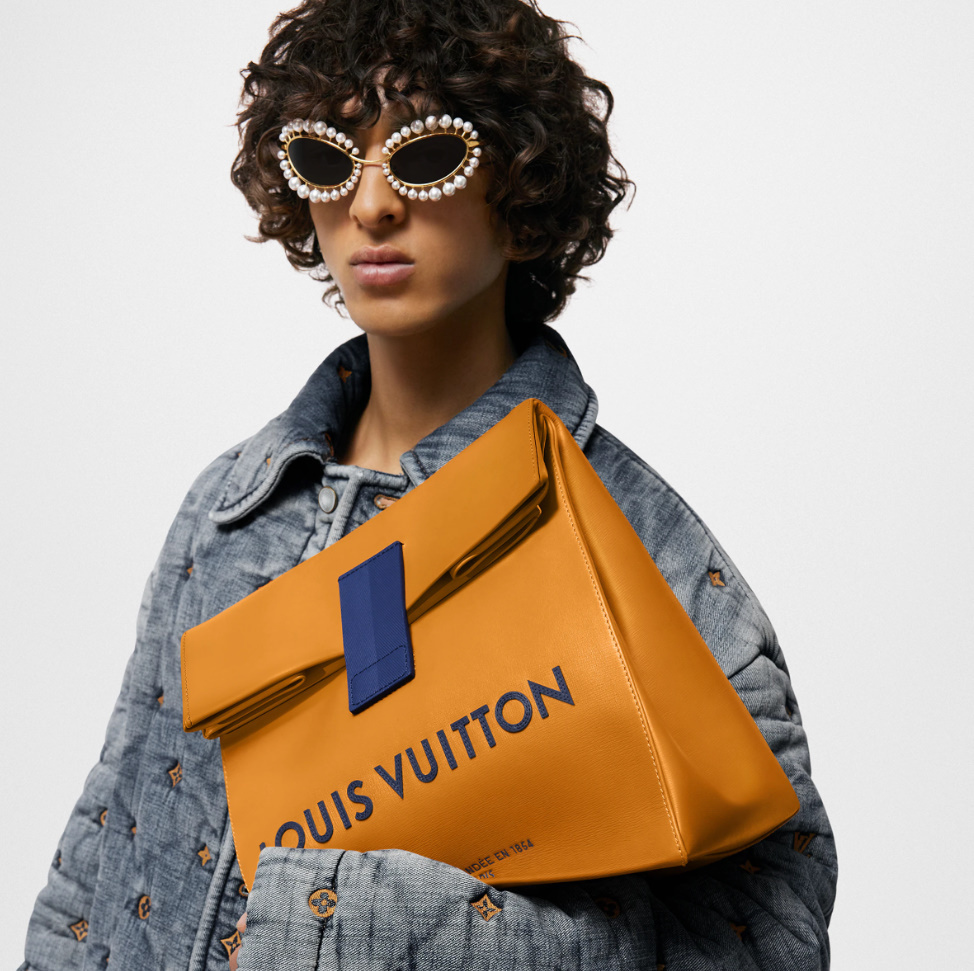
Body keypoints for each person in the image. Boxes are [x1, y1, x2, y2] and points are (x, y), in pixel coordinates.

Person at [20, 0, 838, 968]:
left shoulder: (643, 547)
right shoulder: (227, 510)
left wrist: (330, 926)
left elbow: (763, 937)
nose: (370, 206)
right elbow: (101, 866)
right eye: (327, 158)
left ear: (524, 191)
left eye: (424, 155)